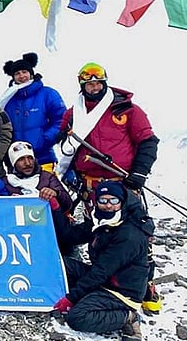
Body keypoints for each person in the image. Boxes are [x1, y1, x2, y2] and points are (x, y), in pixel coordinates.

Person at [57, 62, 161, 312]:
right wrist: (69, 171)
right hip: (90, 187)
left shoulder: (127, 110)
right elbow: (65, 145)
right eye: (89, 84)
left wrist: (139, 173)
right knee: (98, 234)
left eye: (97, 83)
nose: (94, 87)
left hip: (122, 184)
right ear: (82, 86)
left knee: (137, 236)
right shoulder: (73, 114)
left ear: (104, 83)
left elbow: (148, 141)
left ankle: (146, 286)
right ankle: (103, 281)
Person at [50, 181, 153, 341]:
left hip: (122, 292)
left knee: (77, 318)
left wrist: (71, 298)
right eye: (103, 200)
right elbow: (70, 235)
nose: (108, 205)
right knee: (58, 264)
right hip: (105, 280)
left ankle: (128, 316)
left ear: (122, 202)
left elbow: (101, 272)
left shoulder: (129, 234)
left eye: (113, 200)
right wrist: (55, 208)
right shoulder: (100, 220)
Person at [0, 52, 66, 172]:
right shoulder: (7, 99)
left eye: (24, 72)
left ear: (31, 73)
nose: (21, 76)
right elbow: (2, 127)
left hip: (43, 157)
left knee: (46, 184)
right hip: (17, 161)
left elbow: (61, 120)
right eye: (17, 73)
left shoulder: (48, 94)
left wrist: (45, 139)